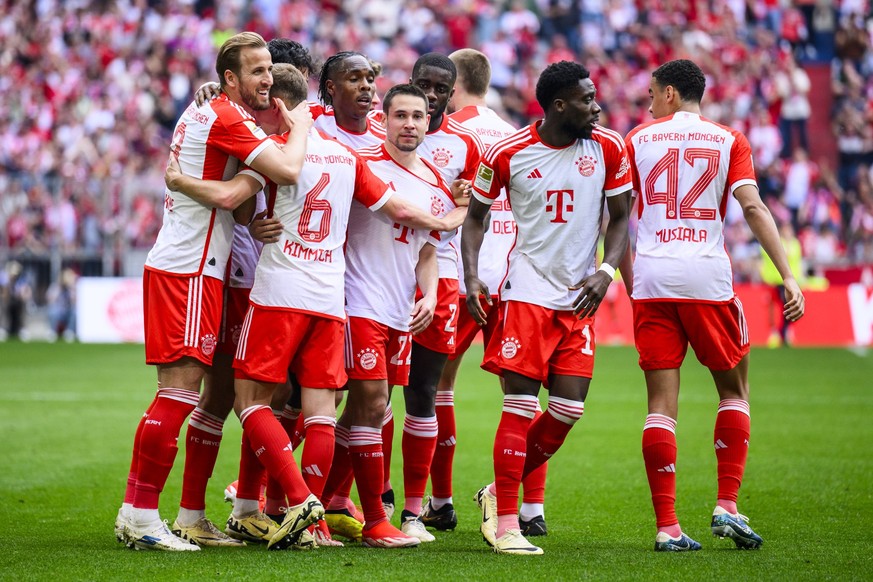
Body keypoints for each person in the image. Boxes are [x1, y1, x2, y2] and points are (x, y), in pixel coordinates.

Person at [168, 77, 468, 550]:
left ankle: (296, 498)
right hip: (332, 298)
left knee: (250, 401)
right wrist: (450, 218)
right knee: (322, 412)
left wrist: (182, 180)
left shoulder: (274, 153)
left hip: (279, 291)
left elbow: (234, 200)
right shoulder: (350, 158)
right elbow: (396, 209)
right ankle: (310, 515)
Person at [116, 31, 314, 552]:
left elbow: (234, 194)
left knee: (186, 395)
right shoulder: (226, 116)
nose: (267, 79)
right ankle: (139, 516)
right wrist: (304, 123)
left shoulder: (216, 110)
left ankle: (144, 512)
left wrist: (245, 177)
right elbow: (289, 169)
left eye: (270, 69)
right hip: (189, 270)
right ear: (230, 78)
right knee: (178, 396)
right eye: (256, 71)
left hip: (195, 267)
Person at [624, 59, 805, 552]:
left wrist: (628, 278)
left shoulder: (637, 139)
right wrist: (788, 274)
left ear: (670, 95)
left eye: (652, 92)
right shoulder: (730, 139)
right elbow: (753, 207)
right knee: (734, 390)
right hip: (707, 277)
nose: (648, 101)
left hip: (654, 279)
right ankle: (727, 504)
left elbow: (617, 218)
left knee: (660, 405)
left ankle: (667, 528)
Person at [463, 61, 631, 555]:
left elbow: (621, 218)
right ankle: (508, 524)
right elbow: (473, 220)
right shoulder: (508, 152)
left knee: (567, 408)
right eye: (587, 99)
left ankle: (498, 490)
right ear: (559, 105)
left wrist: (607, 271)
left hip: (578, 296)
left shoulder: (609, 147)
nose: (596, 107)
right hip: (526, 294)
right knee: (519, 405)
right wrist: (472, 277)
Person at [420, 47, 548, 538]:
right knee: (521, 397)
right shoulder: (515, 133)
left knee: (436, 387)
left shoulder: (452, 134)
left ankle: (440, 501)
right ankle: (531, 507)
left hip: (462, 272)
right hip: (512, 278)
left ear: (452, 86)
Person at [339, 83, 470, 547]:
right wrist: (457, 213)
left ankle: (328, 503)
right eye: (400, 115)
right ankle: (376, 520)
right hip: (359, 303)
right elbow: (410, 216)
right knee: (372, 405)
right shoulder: (365, 166)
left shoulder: (437, 184)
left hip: (401, 311)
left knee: (363, 410)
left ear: (428, 120)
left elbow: (428, 256)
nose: (410, 124)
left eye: (418, 116)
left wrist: (431, 296)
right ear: (386, 119)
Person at [373, 53, 484, 528]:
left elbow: (476, 210)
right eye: (424, 87)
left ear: (453, 91)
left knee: (425, 391)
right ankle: (374, 495)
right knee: (373, 396)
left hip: (443, 278)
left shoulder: (466, 147)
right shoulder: (374, 146)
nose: (433, 97)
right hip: (380, 280)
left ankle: (416, 509)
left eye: (442, 89)